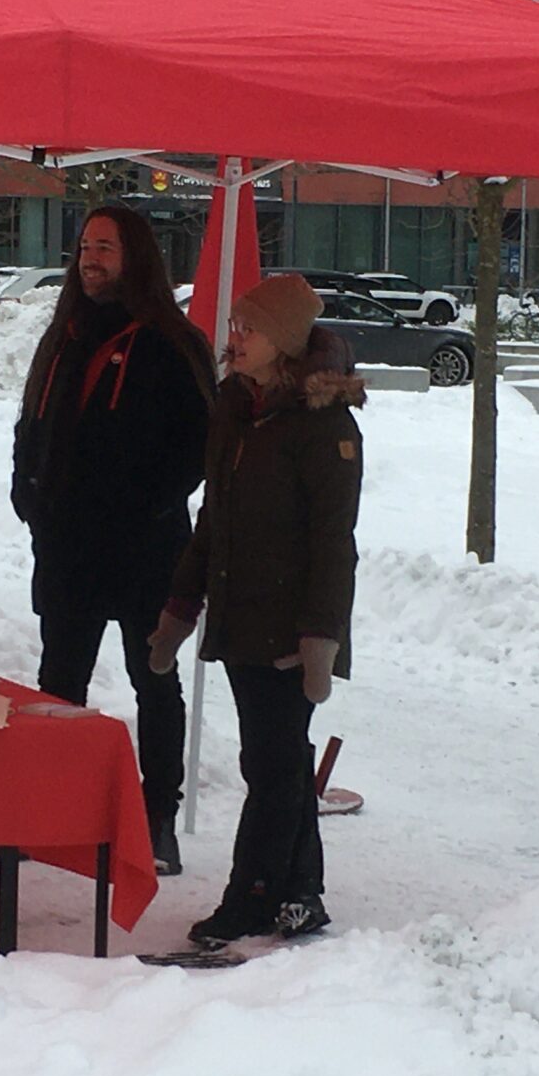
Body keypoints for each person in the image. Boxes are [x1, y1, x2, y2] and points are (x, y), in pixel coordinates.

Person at [149, 274, 364, 947]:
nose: (233, 338)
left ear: (288, 341)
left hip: (292, 630)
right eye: (234, 325)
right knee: (280, 762)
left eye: (249, 328)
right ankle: (301, 894)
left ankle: (253, 895)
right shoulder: (235, 409)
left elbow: (335, 544)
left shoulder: (325, 426)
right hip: (240, 618)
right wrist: (179, 612)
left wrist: (320, 640)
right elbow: (212, 518)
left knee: (270, 768)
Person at [12, 206, 215, 875]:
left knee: (152, 680)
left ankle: (158, 817)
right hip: (67, 547)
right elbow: (32, 421)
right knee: (58, 683)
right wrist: (28, 489)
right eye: (85, 245)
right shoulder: (64, 334)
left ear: (136, 258)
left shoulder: (170, 342)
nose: (90, 257)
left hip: (144, 551)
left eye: (106, 246)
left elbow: (196, 450)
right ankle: (49, 809)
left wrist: (144, 506)